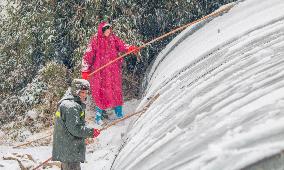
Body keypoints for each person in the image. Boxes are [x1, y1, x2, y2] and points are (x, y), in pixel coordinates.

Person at [81, 20, 139, 125]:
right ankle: (98, 118)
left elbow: (122, 45)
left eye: (109, 29)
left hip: (113, 72)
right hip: (101, 73)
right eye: (105, 29)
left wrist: (130, 48)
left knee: (116, 91)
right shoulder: (95, 40)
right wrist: (85, 70)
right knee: (101, 94)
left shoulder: (113, 38)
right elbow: (87, 56)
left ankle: (119, 114)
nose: (108, 31)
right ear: (101, 30)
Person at [52, 79, 100, 170]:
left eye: (86, 92)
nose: (84, 95)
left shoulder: (68, 102)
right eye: (82, 92)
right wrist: (91, 132)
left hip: (67, 147)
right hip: (70, 149)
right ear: (75, 91)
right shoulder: (71, 107)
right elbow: (75, 128)